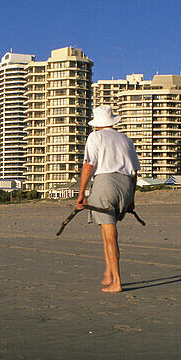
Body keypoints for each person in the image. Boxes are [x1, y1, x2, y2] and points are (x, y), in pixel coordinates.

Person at [76, 104, 139, 292]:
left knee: (109, 236)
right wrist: (132, 199)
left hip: (105, 183)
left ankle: (117, 282)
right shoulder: (125, 139)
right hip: (126, 185)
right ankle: (111, 275)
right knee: (110, 234)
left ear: (97, 123)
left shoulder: (95, 137)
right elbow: (134, 171)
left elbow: (89, 164)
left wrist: (81, 193)